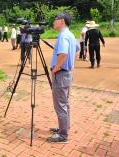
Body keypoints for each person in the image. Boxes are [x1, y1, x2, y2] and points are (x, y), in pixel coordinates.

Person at [48, 12, 79, 143]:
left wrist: (55, 68)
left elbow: (63, 54)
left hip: (61, 74)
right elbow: (77, 49)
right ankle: (64, 127)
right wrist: (71, 64)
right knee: (65, 103)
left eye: (55, 19)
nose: (54, 22)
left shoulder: (63, 36)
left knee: (60, 104)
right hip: (67, 73)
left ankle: (63, 135)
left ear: (62, 21)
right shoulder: (70, 35)